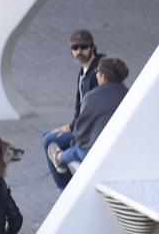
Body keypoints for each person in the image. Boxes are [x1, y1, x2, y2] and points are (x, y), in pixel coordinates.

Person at [47, 57, 128, 188]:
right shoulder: (129, 95)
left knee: (77, 150)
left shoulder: (92, 97)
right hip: (123, 151)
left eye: (97, 71)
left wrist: (76, 143)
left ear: (101, 75)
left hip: (99, 155)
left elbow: (81, 131)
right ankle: (59, 157)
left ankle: (59, 158)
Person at [41, 30, 103, 188]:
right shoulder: (83, 72)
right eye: (75, 48)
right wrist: (69, 126)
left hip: (91, 131)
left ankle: (65, 189)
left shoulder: (99, 71)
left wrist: (73, 128)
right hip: (81, 127)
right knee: (47, 136)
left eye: (83, 47)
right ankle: (68, 186)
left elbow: (92, 110)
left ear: (92, 47)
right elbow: (78, 106)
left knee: (50, 140)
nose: (79, 52)